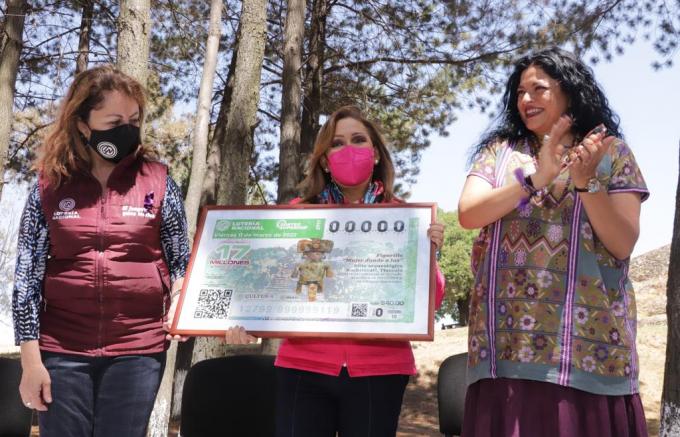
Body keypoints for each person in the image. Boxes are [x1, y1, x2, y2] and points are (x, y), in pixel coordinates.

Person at [458, 47, 649, 436]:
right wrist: (535, 178)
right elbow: (469, 213)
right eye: (519, 91)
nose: (525, 99)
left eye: (538, 88)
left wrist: (587, 182)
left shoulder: (610, 152)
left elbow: (622, 243)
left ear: (571, 91)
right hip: (505, 354)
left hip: (588, 354)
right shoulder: (500, 154)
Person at [225, 105, 446, 437]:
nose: (349, 149)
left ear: (375, 154)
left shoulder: (406, 218)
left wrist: (429, 255)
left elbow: (432, 300)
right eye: (337, 143)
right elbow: (272, 287)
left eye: (359, 140)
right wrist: (248, 321)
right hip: (303, 368)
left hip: (380, 370)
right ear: (325, 160)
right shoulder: (295, 216)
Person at [11, 65, 190, 437]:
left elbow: (181, 262)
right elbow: (26, 278)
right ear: (82, 124)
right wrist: (31, 361)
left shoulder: (158, 181)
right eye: (113, 120)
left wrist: (180, 301)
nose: (126, 129)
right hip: (62, 352)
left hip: (138, 352)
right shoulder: (49, 185)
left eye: (133, 119)